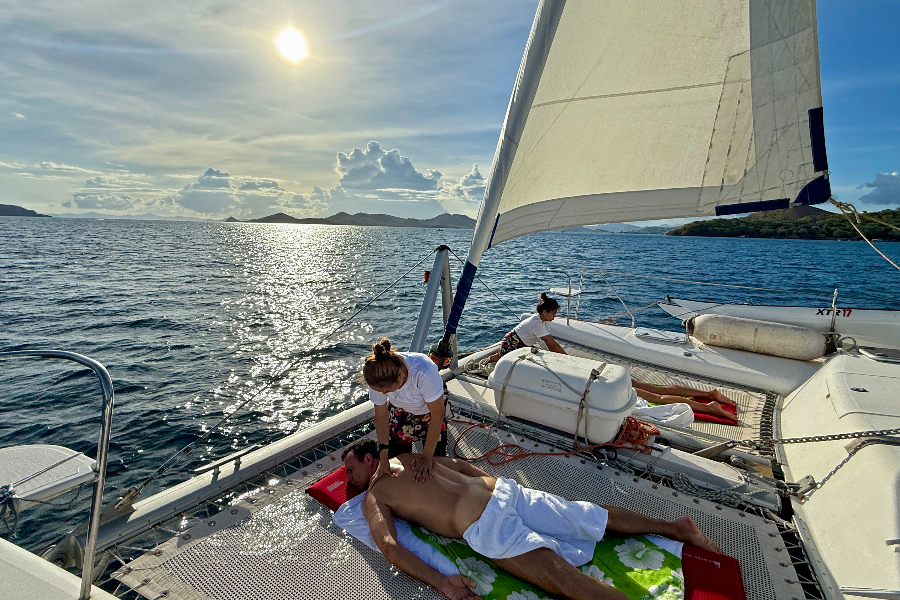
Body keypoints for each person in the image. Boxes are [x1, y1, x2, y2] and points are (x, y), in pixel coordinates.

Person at [342, 438, 722, 600]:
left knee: (561, 578)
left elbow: (390, 547)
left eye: (350, 471)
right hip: (504, 493)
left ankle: (676, 531)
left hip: (487, 522)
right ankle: (677, 528)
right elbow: (459, 465)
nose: (349, 481)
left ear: (369, 459)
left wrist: (442, 583)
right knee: (589, 516)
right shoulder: (410, 457)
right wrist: (495, 485)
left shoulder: (376, 494)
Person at [363, 338, 447, 486]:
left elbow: (437, 415)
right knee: (396, 458)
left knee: (435, 464)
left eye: (387, 391)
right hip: (400, 410)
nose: (384, 395)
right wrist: (383, 457)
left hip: (430, 410)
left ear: (401, 375)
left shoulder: (423, 370)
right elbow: (381, 415)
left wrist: (426, 458)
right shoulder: (376, 375)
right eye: (381, 392)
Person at [488, 292, 566, 362]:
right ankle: (491, 358)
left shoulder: (542, 320)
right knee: (502, 357)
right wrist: (567, 358)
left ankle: (496, 355)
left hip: (517, 341)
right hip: (513, 344)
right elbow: (552, 345)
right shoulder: (537, 323)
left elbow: (550, 344)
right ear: (544, 312)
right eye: (553, 313)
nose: (555, 315)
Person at [631, 379, 737, 420]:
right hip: (622, 376)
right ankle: (709, 394)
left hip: (617, 384)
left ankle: (708, 407)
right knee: (661, 389)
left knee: (658, 398)